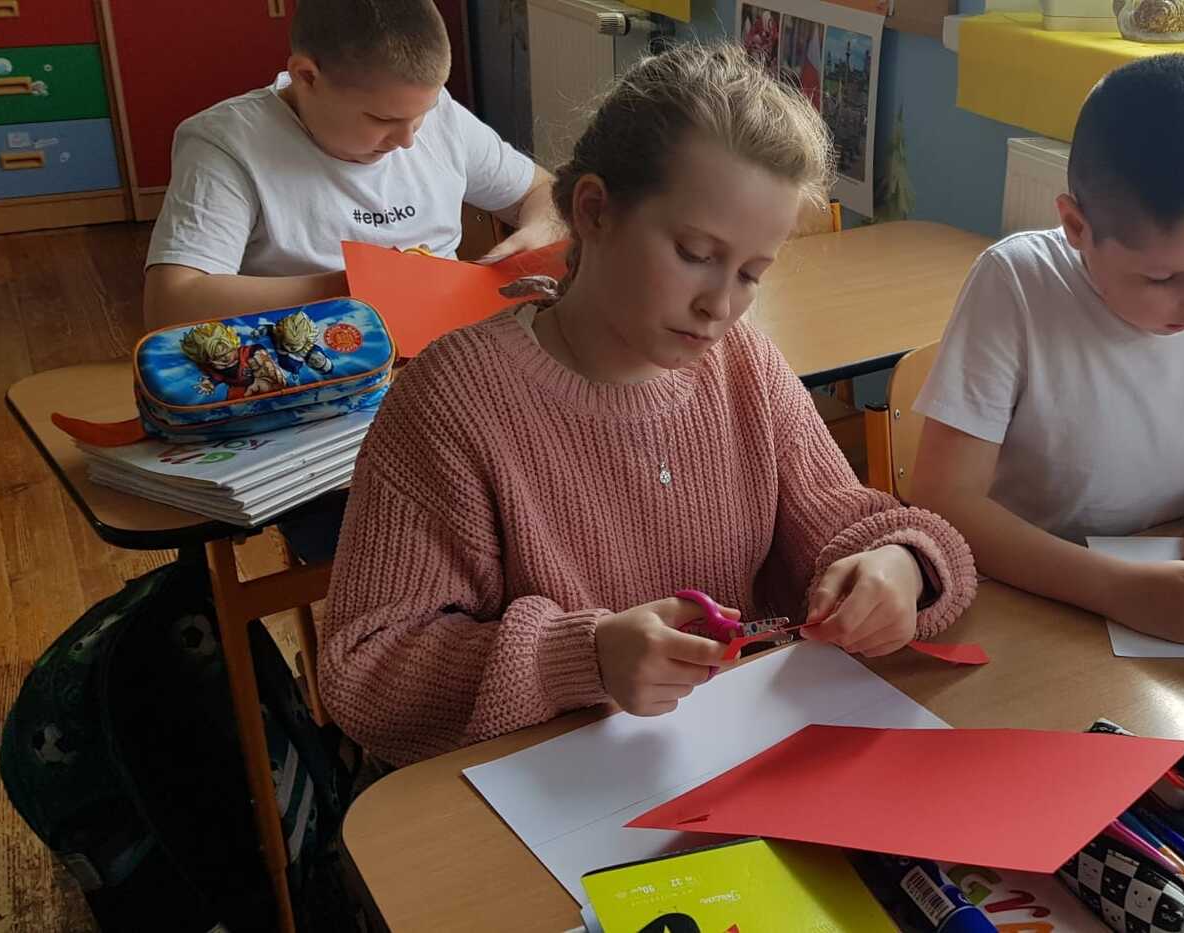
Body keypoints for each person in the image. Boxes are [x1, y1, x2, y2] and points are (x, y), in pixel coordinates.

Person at [319, 45, 976, 766]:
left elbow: (847, 523)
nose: (720, 305)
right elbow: (368, 673)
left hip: (726, 764)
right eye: (695, 253)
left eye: (752, 273)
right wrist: (582, 657)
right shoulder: (452, 402)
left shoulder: (744, 365)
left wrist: (899, 566)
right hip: (546, 790)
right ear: (594, 211)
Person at [908, 54, 1184, 646]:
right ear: (1077, 228)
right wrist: (1117, 589)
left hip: (1168, 594)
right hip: (1034, 605)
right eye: (1163, 279)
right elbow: (944, 500)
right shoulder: (1017, 285)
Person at [142, 0, 559, 331]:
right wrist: (353, 286)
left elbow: (542, 192)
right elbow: (170, 304)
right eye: (381, 119)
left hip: (443, 349)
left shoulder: (442, 118)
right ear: (306, 77)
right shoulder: (227, 143)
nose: (407, 140)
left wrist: (539, 231)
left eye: (422, 114)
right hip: (314, 364)